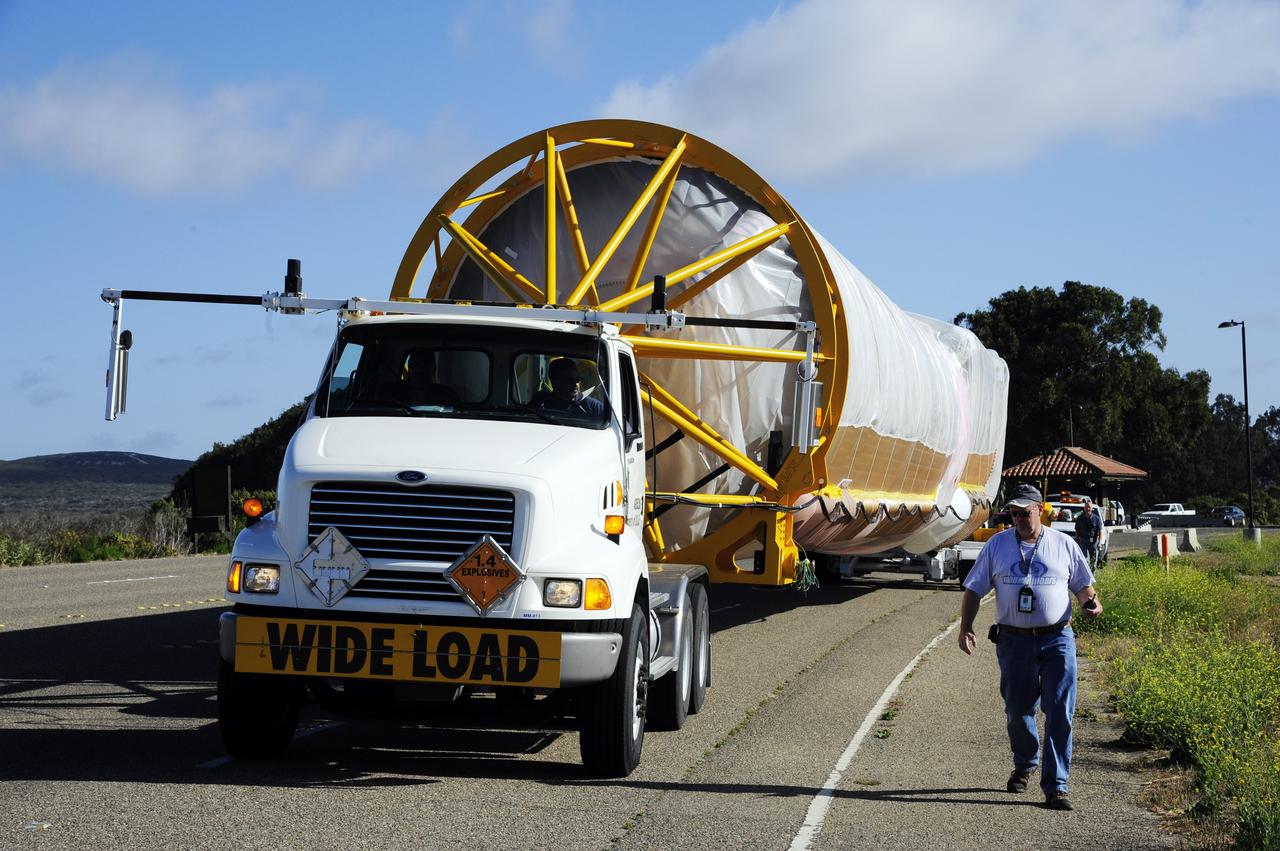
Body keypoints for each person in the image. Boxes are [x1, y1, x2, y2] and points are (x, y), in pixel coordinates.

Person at [957, 483, 1103, 811]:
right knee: (1017, 710)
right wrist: (966, 627)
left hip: (1057, 638)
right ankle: (1025, 764)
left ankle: (1056, 786)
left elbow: (1083, 586)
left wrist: (1091, 604)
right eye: (1014, 513)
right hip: (1013, 640)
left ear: (1041, 510)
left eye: (1026, 513)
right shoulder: (997, 545)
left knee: (1059, 710)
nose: (1019, 519)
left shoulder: (1063, 544)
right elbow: (974, 589)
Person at [532, 357, 606, 420]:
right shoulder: (540, 403)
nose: (575, 384)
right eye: (568, 380)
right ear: (554, 382)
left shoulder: (594, 408)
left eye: (577, 379)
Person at [1073, 498, 1103, 569]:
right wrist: (1077, 542)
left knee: (1093, 560)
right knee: (1084, 559)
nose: (1087, 509)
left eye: (1089, 507)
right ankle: (1085, 576)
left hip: (1094, 541)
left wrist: (1099, 543)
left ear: (1092, 508)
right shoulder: (1080, 518)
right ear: (1084, 508)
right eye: (1086, 507)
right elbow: (1077, 531)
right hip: (1083, 540)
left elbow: (1100, 531)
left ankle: (1092, 577)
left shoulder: (1097, 519)